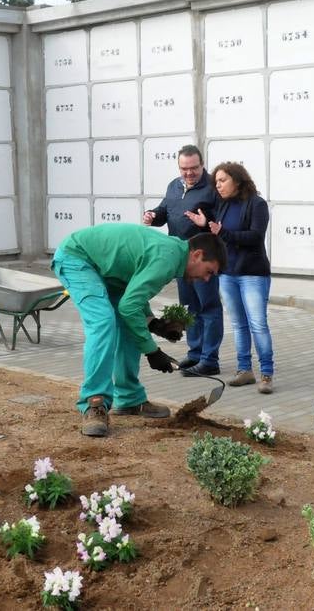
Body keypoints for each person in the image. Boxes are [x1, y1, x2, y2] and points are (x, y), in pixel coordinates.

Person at [51, 223, 227, 437]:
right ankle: (94, 403)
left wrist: (154, 323)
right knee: (103, 322)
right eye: (209, 271)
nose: (207, 278)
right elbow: (129, 306)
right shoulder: (168, 258)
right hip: (77, 259)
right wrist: (152, 351)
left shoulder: (172, 254)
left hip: (106, 272)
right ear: (197, 255)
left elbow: (134, 296)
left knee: (127, 326)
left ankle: (129, 398)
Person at [186, 162, 275, 394]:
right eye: (216, 182)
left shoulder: (257, 204)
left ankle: (266, 374)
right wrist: (205, 225)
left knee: (258, 324)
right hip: (228, 274)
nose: (218, 186)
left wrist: (221, 232)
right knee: (238, 324)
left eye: (223, 180)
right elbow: (213, 227)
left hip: (253, 274)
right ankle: (244, 369)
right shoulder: (223, 205)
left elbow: (255, 236)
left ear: (237, 179)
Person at [141, 144, 225, 377]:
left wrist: (205, 222)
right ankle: (195, 352)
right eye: (184, 168)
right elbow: (165, 211)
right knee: (190, 309)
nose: (188, 173)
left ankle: (210, 359)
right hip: (180, 260)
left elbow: (220, 221)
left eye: (193, 168)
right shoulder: (174, 185)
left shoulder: (212, 188)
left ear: (202, 165)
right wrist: (153, 216)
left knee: (209, 308)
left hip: (203, 260)